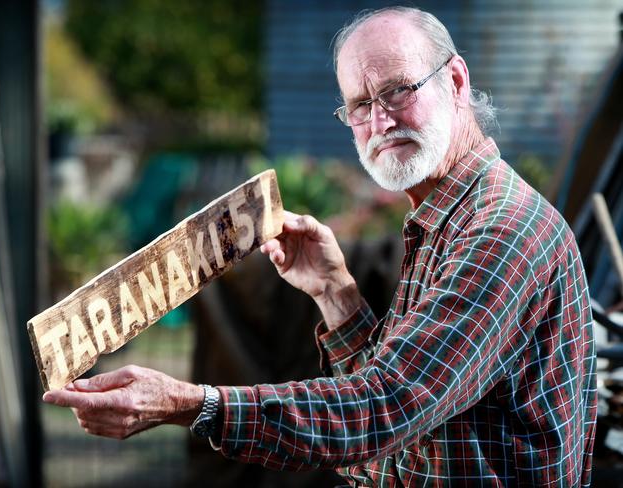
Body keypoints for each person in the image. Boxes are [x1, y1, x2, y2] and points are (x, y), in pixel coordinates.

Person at [43, 6, 597, 486]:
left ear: (455, 81)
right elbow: (398, 433)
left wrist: (193, 404)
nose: (380, 121)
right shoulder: (443, 221)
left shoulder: (500, 230)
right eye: (359, 104)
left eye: (398, 90)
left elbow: (386, 407)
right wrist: (337, 295)